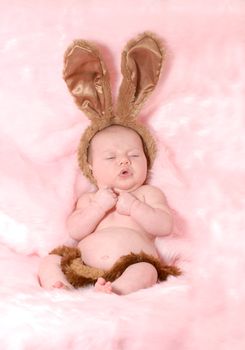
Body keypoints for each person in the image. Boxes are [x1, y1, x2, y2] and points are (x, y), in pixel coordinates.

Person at [38, 125, 175, 295]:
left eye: (134, 155)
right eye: (111, 157)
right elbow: (75, 231)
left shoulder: (148, 194)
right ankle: (60, 287)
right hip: (82, 266)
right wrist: (98, 207)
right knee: (51, 260)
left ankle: (115, 291)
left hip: (130, 266)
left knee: (147, 271)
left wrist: (135, 206)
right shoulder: (89, 199)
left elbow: (164, 226)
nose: (124, 161)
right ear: (91, 168)